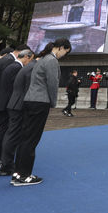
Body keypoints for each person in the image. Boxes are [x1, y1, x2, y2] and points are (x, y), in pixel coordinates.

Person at [12, 38, 71, 186]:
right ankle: (25, 175)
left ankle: (18, 172)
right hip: (40, 102)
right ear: (61, 48)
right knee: (31, 139)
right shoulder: (51, 61)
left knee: (25, 137)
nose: (64, 55)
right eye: (65, 52)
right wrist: (53, 102)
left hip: (30, 100)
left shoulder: (42, 59)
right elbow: (52, 84)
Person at [0, 54, 40, 176]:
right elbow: (29, 88)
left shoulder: (26, 67)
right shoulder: (32, 68)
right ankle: (6, 165)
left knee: (11, 134)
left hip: (14, 103)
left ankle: (5, 163)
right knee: (13, 135)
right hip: (19, 105)